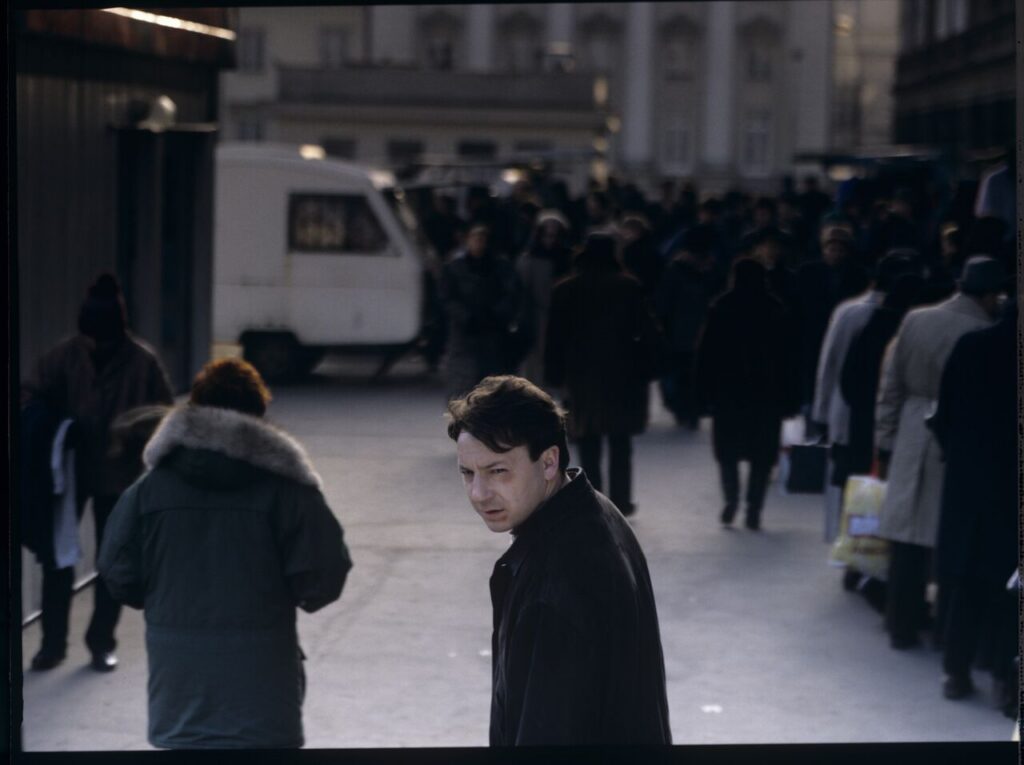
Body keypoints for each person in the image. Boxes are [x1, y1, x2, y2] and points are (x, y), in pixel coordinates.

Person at [97, 358, 351, 749]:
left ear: (195, 409)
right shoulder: (287, 488)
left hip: (178, 677)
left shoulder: (149, 489)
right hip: (263, 680)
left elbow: (117, 571)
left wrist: (167, 601)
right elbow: (323, 575)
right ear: (259, 414)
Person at [446, 375, 671, 746]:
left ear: (549, 462)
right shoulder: (596, 509)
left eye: (498, 471)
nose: (479, 493)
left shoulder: (554, 587)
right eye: (468, 473)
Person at [24, 274, 174, 672]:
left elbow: (165, 416)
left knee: (112, 561)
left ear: (119, 331)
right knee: (59, 557)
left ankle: (101, 641)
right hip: (67, 473)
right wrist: (54, 426)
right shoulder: (63, 356)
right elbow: (29, 396)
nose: (97, 347)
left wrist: (135, 435)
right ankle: (52, 644)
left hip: (121, 474)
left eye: (104, 341)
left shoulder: (143, 362)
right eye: (91, 340)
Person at [874, 256, 1003, 650]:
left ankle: (900, 623)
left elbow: (890, 384)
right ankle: (947, 631)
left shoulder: (916, 319)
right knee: (948, 538)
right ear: (989, 294)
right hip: (957, 437)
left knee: (907, 538)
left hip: (913, 428)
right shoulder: (984, 330)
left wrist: (885, 435)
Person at [928, 297, 1017, 713]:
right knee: (1010, 589)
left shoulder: (970, 347)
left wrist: (961, 459)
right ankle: (1005, 679)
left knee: (966, 582)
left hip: (969, 486)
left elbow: (942, 416)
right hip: (1010, 491)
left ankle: (956, 671)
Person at [544, 233, 665, 516]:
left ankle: (591, 499)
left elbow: (554, 337)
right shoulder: (628, 287)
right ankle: (620, 501)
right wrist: (649, 367)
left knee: (588, 440)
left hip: (581, 374)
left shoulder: (566, 290)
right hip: (622, 374)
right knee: (620, 441)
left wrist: (555, 371)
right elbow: (647, 332)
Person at [811, 254, 914, 543]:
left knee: (850, 484)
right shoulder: (908, 315)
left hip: (844, 412)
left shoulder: (849, 312)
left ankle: (849, 542)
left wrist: (820, 413)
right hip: (886, 418)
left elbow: (828, 365)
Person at [695, 258, 799, 530]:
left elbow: (707, 354)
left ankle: (731, 499)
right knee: (761, 455)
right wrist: (791, 396)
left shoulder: (721, 307)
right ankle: (754, 508)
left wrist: (703, 390)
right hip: (766, 393)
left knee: (727, 451)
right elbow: (789, 358)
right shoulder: (775, 308)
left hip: (728, 393)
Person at [439, 224, 524, 398]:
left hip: (493, 334)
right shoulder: (454, 268)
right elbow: (446, 298)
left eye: (483, 239)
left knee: (493, 385)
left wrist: (496, 315)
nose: (479, 244)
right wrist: (466, 317)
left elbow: (512, 294)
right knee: (462, 385)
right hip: (464, 334)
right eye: (475, 239)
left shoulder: (501, 267)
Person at [514, 210, 572, 386]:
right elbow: (522, 292)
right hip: (537, 318)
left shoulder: (568, 258)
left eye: (555, 233)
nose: (550, 238)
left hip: (564, 317)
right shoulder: (529, 259)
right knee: (536, 364)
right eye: (546, 233)